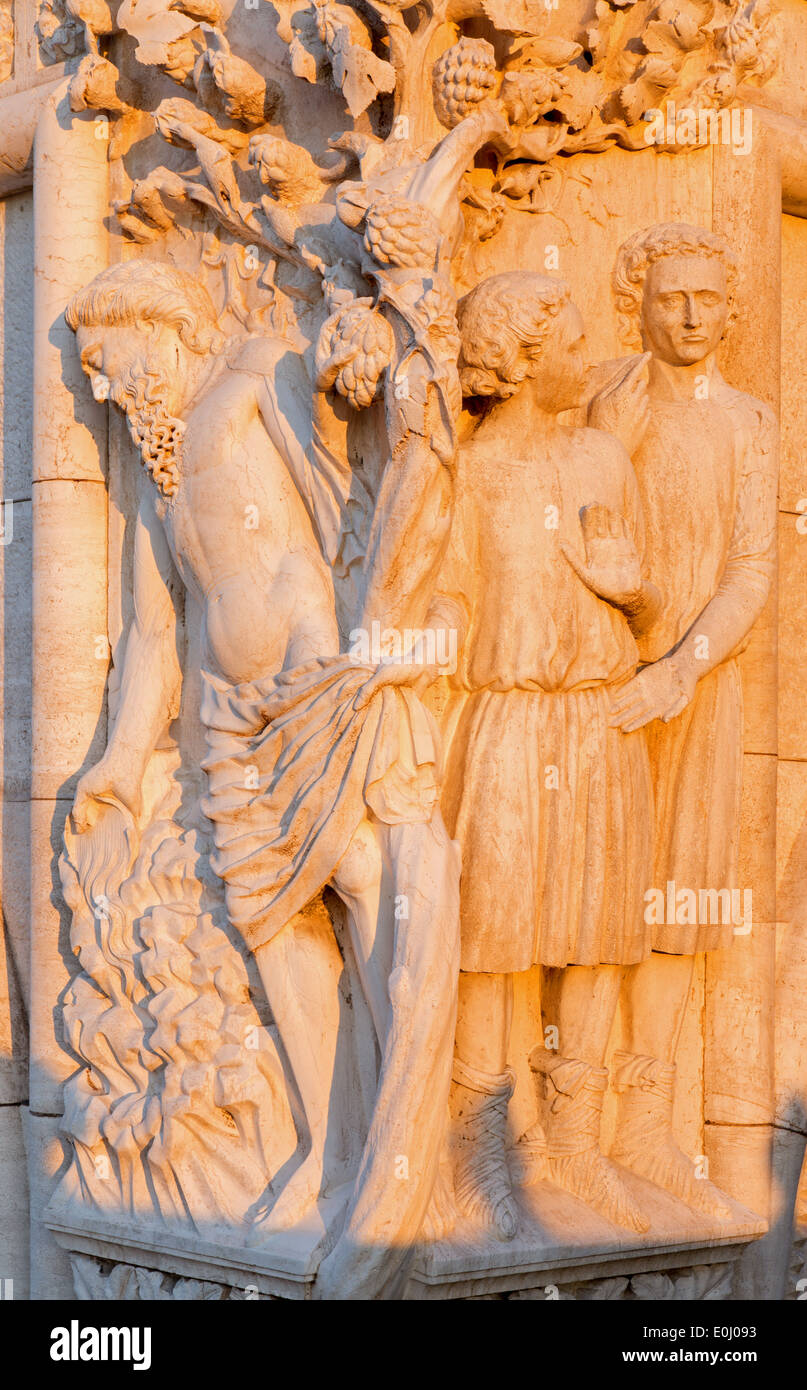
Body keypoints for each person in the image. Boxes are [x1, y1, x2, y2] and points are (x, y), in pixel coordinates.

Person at [65, 259, 461, 1297]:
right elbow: (156, 631)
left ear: (160, 322)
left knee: (368, 884)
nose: (104, 391)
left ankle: (412, 1139)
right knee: (276, 930)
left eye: (111, 363)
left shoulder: (248, 378)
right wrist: (113, 761)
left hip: (305, 679)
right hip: (224, 731)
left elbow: (341, 467)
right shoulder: (155, 495)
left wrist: (362, 336)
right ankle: (332, 1159)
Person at [427, 270, 659, 1238]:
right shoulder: (473, 470)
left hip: (600, 722)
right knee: (494, 939)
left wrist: (637, 594)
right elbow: (448, 596)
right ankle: (479, 1152)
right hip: (509, 723)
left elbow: (652, 622)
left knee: (598, 935)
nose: (586, 360)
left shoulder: (607, 462)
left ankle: (575, 1145)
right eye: (568, 343)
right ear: (522, 361)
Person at [602, 224, 778, 1216]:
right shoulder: (611, 401)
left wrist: (680, 669)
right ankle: (568, 1123)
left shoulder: (749, 424)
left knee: (680, 900)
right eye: (671, 296)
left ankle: (646, 1116)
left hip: (697, 689)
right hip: (602, 682)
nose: (691, 315)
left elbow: (752, 568)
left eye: (708, 297)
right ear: (641, 300)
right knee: (599, 892)